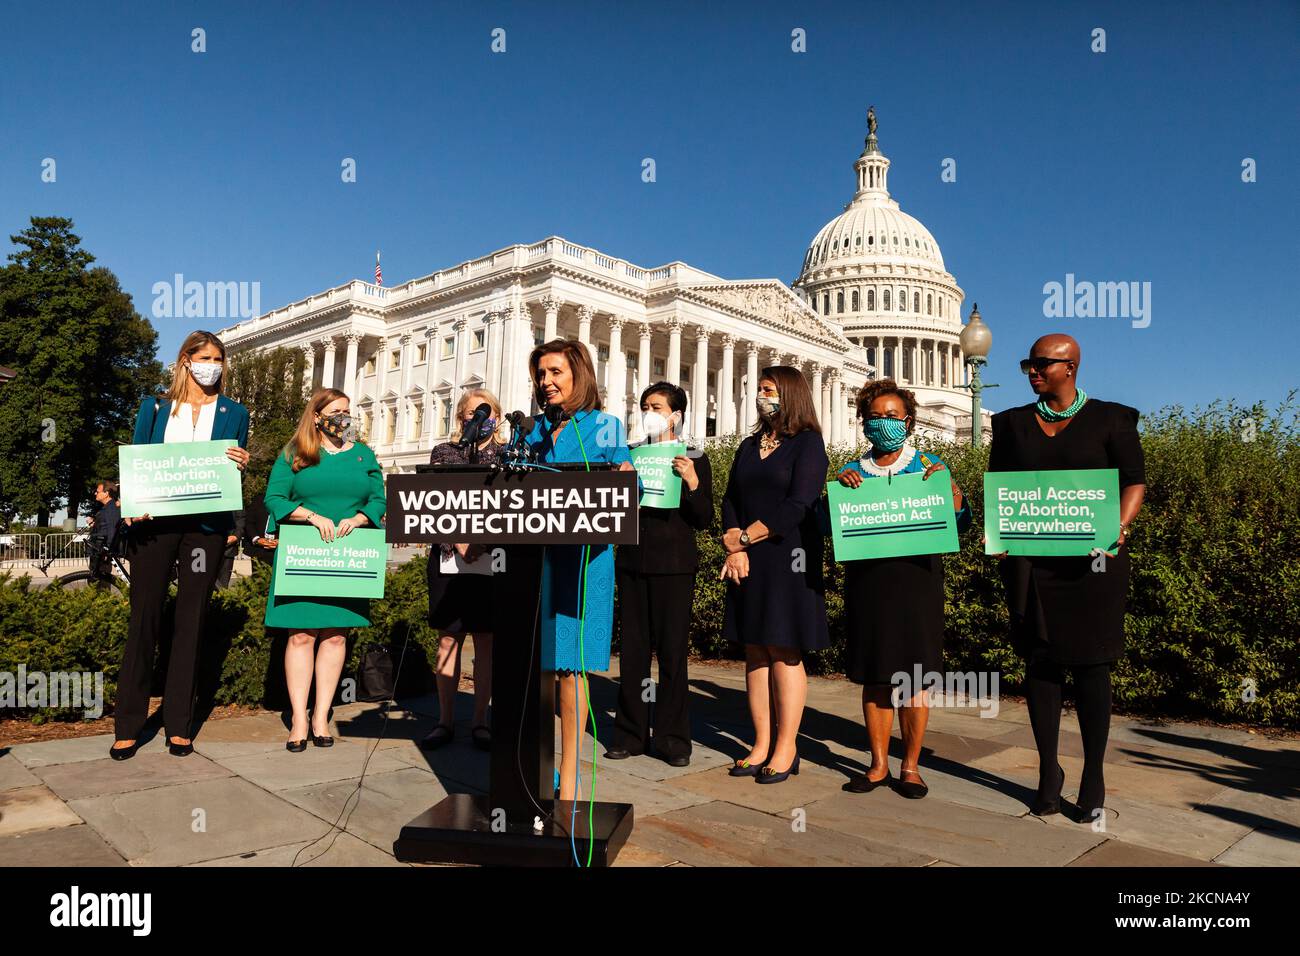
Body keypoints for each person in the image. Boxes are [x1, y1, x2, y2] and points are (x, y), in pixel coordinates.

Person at [987, 333, 1146, 822]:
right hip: (1032, 566)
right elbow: (1000, 489)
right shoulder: (1010, 424)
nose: (1032, 372)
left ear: (1070, 366)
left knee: (1092, 668)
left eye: (1041, 364)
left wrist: (1118, 529)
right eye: (1027, 365)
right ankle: (1048, 770)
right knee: (1040, 664)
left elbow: (1133, 481)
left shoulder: (1112, 418)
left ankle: (1093, 772)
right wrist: (999, 531)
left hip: (1093, 564)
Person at [110, 331, 251, 760]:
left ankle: (178, 724)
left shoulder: (235, 412)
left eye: (220, 359)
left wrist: (241, 463)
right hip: (154, 525)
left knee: (191, 622)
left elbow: (232, 469)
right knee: (144, 619)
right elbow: (138, 457)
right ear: (186, 360)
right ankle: (129, 724)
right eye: (206, 357)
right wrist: (131, 503)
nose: (214, 365)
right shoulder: (153, 407)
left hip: (204, 528)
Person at [835, 379, 971, 799]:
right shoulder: (852, 471)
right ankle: (877, 764)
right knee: (875, 677)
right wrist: (837, 493)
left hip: (917, 584)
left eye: (892, 416)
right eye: (875, 416)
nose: (883, 423)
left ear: (909, 421)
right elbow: (832, 528)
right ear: (863, 422)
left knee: (914, 679)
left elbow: (959, 527)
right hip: (870, 585)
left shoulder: (930, 467)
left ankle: (910, 766)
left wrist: (955, 498)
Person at [524, 339, 634, 801]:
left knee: (571, 669)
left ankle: (569, 774)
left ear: (578, 375)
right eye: (540, 375)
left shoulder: (604, 426)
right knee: (539, 668)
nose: (546, 382)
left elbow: (630, 483)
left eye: (555, 373)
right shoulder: (529, 432)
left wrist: (626, 473)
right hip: (537, 562)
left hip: (586, 562)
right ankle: (535, 764)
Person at [720, 366, 829, 784]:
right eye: (759, 389)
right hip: (748, 557)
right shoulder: (749, 445)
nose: (760, 396)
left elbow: (799, 503)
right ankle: (761, 743)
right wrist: (733, 541)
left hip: (788, 557)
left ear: (789, 394)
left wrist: (745, 538)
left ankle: (788, 746)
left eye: (768, 390)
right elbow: (732, 496)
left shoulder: (807, 444)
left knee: (784, 649)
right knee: (755, 649)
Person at [263, 388, 386, 752]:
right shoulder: (295, 453)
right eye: (336, 411)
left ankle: (321, 716)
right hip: (304, 556)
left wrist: (362, 517)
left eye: (347, 410)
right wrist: (312, 516)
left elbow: (378, 497)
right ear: (316, 416)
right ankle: (299, 717)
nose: (344, 417)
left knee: (335, 636)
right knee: (300, 635)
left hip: (348, 557)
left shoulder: (363, 454)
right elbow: (275, 498)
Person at [608, 382, 713, 767]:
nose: (648, 412)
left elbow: (704, 518)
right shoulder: (632, 453)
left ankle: (672, 739)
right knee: (633, 654)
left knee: (672, 655)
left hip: (674, 566)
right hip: (633, 562)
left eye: (655, 406)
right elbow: (614, 512)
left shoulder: (695, 457)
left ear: (675, 415)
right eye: (644, 406)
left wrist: (692, 482)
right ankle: (630, 734)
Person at [419, 387, 507, 753]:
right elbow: (434, 500)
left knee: (486, 641)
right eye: (473, 413)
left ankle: (481, 721)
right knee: (448, 639)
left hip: (491, 561)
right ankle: (445, 720)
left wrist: (482, 543)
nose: (480, 419)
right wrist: (457, 540)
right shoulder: (445, 452)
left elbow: (510, 507)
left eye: (487, 413)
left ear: (497, 418)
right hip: (448, 559)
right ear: (461, 418)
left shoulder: (506, 456)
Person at [88, 480, 122, 582]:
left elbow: (112, 529)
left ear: (106, 493)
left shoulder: (111, 509)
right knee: (97, 581)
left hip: (101, 551)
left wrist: (108, 551)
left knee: (98, 581)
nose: (95, 493)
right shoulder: (108, 508)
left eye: (98, 491)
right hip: (99, 550)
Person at [241, 495, 277, 566]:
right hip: (258, 550)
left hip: (280, 551)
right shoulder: (259, 499)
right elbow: (249, 522)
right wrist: (256, 539)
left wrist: (282, 541)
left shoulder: (290, 501)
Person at [214, 509, 245, 589]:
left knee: (222, 587)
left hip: (228, 549)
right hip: (204, 548)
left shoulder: (234, 499)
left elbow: (241, 519)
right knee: (203, 584)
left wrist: (236, 536)